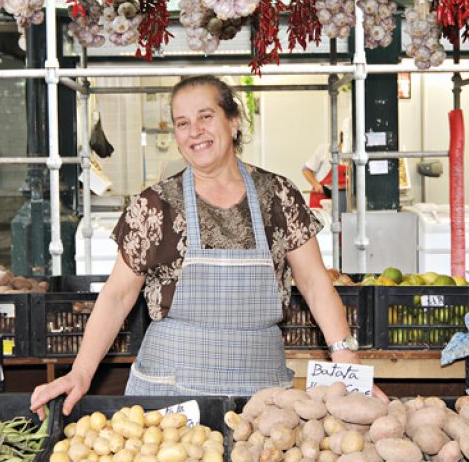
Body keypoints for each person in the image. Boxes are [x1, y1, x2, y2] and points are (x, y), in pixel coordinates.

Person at [31, 75, 385, 417]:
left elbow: (313, 281)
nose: (194, 131)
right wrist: (80, 372)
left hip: (262, 396)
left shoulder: (278, 195)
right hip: (170, 396)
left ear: (233, 122)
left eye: (205, 116)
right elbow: (118, 295)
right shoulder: (155, 205)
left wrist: (346, 362)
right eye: (182, 123)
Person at [302, 138, 348, 210]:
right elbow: (306, 170)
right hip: (320, 200)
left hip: (342, 200)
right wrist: (316, 185)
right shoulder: (324, 150)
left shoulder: (355, 154)